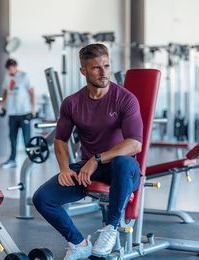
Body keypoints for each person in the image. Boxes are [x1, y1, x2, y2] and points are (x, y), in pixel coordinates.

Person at [33, 43, 143, 260]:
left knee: (123, 162)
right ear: (83, 71)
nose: (104, 73)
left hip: (123, 170)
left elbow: (135, 144)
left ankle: (110, 228)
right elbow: (61, 140)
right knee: (42, 198)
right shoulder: (72, 103)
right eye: (96, 68)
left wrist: (97, 159)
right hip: (88, 169)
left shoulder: (125, 98)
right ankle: (78, 243)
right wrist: (64, 168)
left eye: (107, 66)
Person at [0, 58, 36, 169]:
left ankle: (31, 161)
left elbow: (32, 92)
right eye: (8, 69)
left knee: (26, 139)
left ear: (15, 67)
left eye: (11, 68)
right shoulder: (7, 76)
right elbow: (5, 92)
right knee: (12, 138)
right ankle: (12, 160)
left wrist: (33, 109)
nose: (10, 71)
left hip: (24, 112)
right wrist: (0, 105)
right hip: (12, 113)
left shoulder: (24, 76)